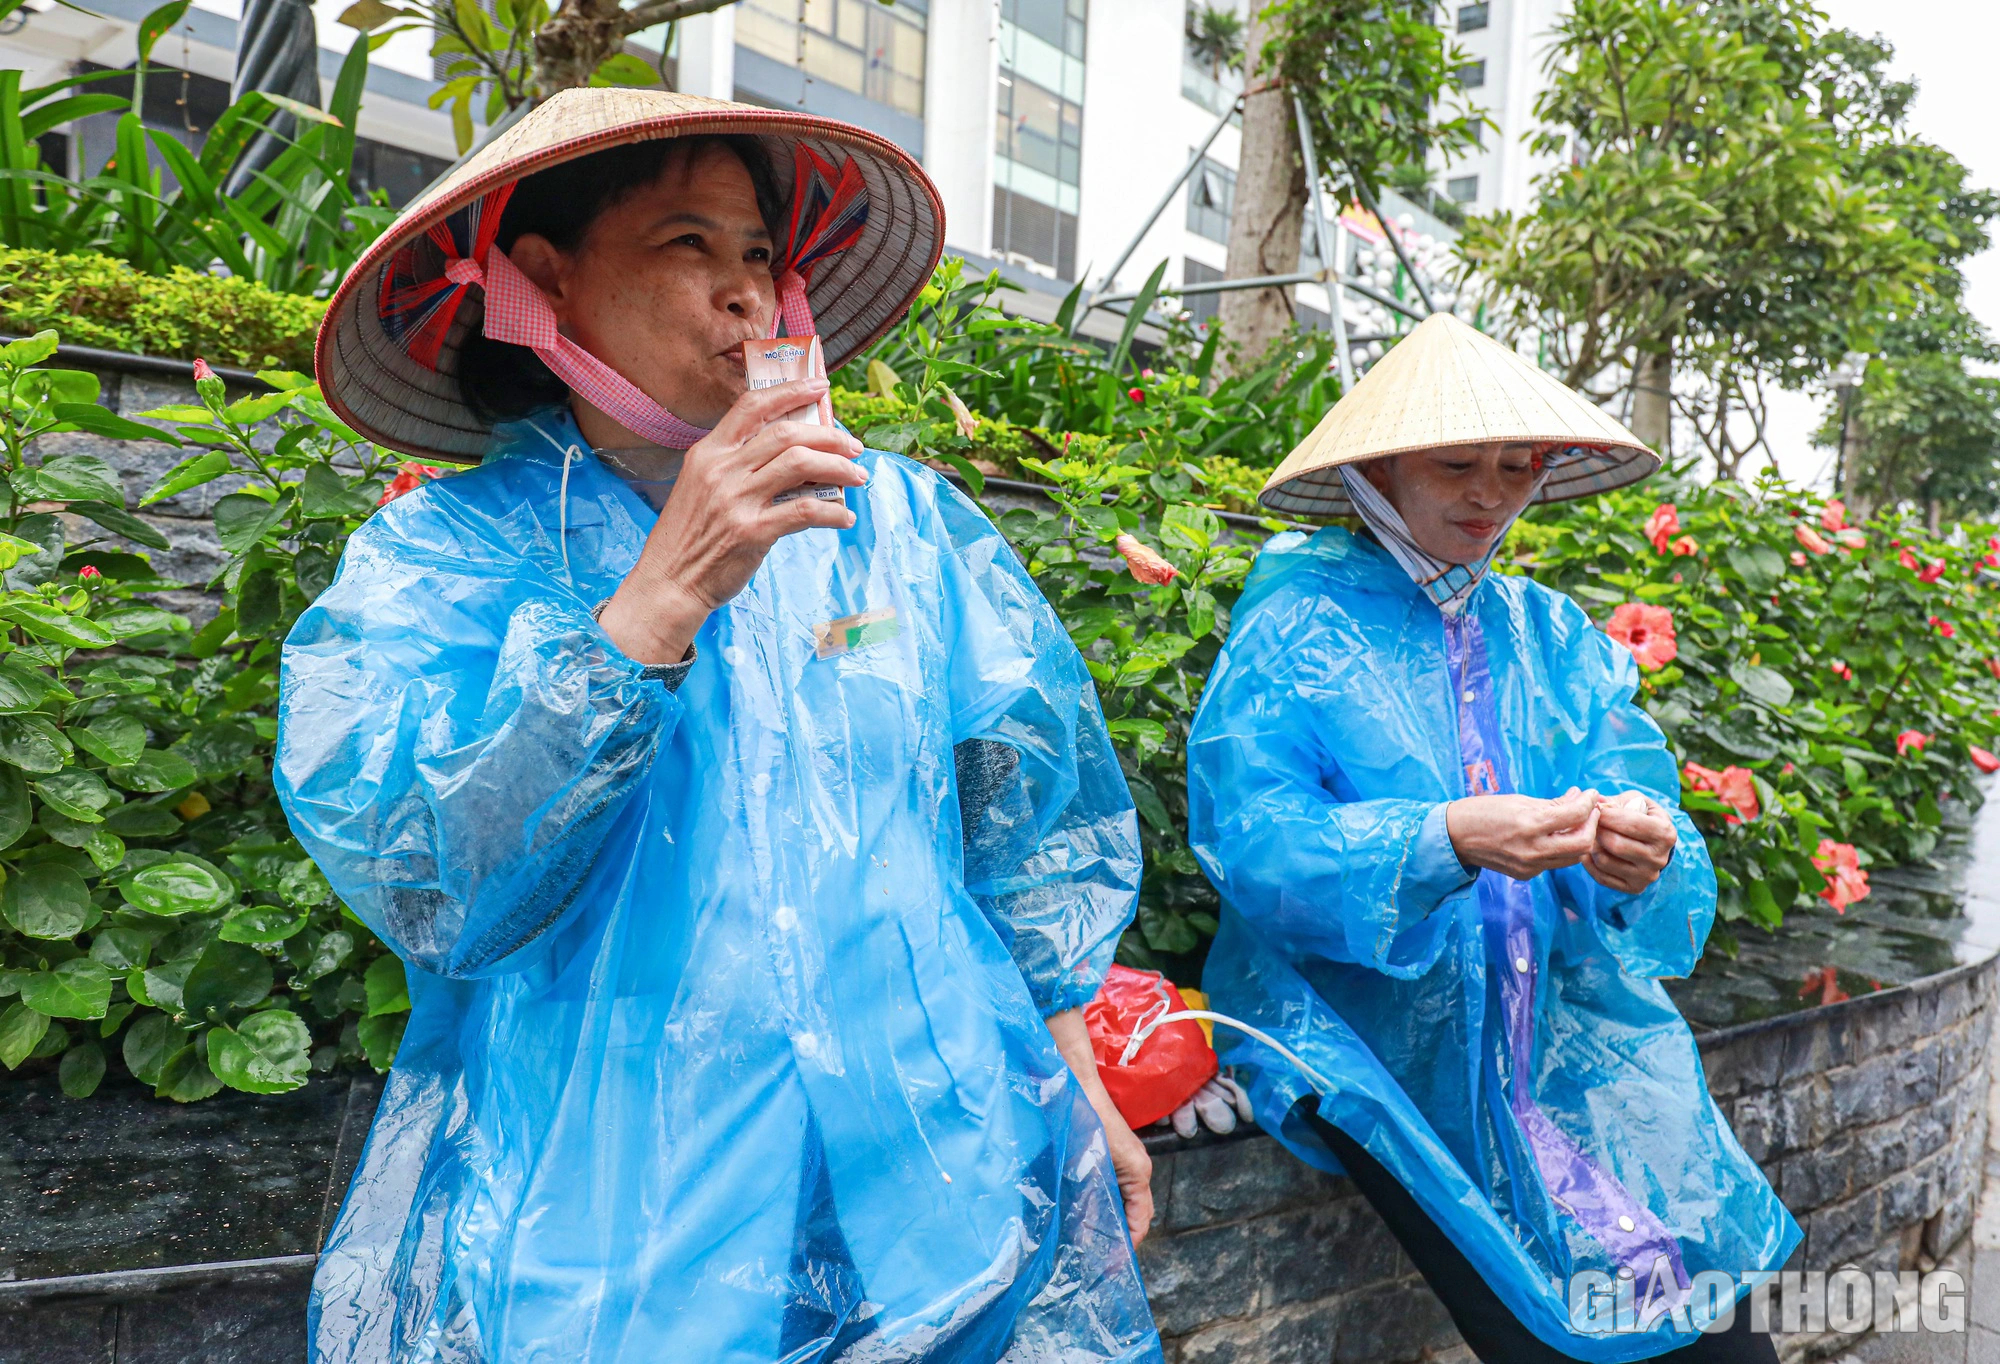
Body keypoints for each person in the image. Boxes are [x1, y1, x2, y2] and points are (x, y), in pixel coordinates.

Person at [279, 89, 1161, 1364]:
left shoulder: (894, 525)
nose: (745, 292)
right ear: (543, 281)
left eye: (758, 253)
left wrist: (1075, 1084)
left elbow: (1024, 830)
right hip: (625, 1231)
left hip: (942, 1184)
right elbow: (432, 878)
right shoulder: (442, 563)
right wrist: (658, 601)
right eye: (687, 245)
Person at [1185, 314, 1799, 1364]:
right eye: (1457, 462)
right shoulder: (1294, 625)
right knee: (1548, 1337)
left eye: (1517, 466)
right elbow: (1255, 846)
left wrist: (1639, 857)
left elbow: (1646, 807)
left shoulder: (1550, 633)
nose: (1490, 493)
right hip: (1373, 1044)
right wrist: (1437, 841)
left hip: (1570, 1038)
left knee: (1714, 1322)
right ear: (1375, 469)